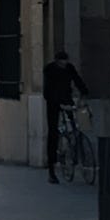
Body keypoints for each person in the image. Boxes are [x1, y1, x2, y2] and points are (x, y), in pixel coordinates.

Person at [44, 48, 89, 184]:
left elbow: (77, 80)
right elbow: (48, 91)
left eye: (65, 62)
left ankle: (75, 152)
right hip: (53, 103)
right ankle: (51, 169)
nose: (64, 65)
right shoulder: (49, 70)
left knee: (76, 125)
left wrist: (84, 92)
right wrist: (58, 104)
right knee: (53, 133)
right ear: (57, 61)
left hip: (66, 99)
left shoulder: (70, 68)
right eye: (61, 63)